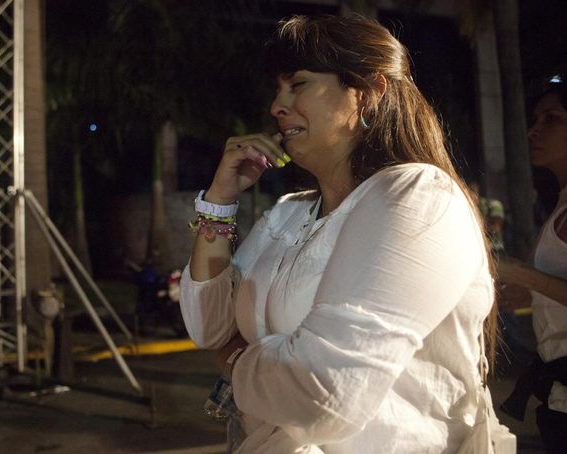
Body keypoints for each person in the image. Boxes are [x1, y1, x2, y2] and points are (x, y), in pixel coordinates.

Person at [180, 14, 499, 453]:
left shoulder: (417, 196)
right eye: (278, 89)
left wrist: (236, 360)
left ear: (368, 94)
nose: (277, 105)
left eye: (299, 85)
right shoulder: (289, 215)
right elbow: (207, 327)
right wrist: (219, 198)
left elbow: (325, 395)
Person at [498, 76, 567, 453]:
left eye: (552, 119)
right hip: (560, 397)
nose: (534, 130)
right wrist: (528, 295)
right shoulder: (561, 204)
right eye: (534, 120)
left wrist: (525, 276)